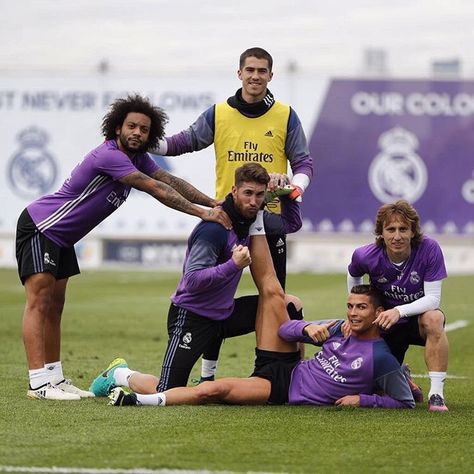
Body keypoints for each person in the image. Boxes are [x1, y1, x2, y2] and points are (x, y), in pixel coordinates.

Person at [16, 94, 232, 401]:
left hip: (62, 238)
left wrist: (213, 202)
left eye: (144, 130)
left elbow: (170, 179)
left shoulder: (138, 158)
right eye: (131, 126)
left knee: (55, 307)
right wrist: (203, 213)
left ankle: (55, 378)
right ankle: (38, 383)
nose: (137, 133)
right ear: (118, 127)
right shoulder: (110, 155)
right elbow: (157, 189)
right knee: (39, 303)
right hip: (42, 227)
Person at [102, 235, 415, 409]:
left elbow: (404, 403)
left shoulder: (381, 358)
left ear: (377, 313)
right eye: (350, 306)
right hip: (285, 362)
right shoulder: (340, 327)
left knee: (212, 390)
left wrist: (361, 399)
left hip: (279, 387)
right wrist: (307, 329)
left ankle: (129, 389)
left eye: (361, 308)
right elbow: (285, 329)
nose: (353, 313)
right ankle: (256, 225)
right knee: (279, 296)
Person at [151, 46, 312, 380]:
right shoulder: (220, 112)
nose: (255, 76)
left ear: (271, 75)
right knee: (216, 293)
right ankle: (209, 373)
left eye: (262, 71)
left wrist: (293, 189)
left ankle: (268, 369)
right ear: (239, 73)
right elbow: (187, 141)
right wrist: (149, 144)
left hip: (268, 222)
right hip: (227, 219)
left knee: (274, 296)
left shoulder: (285, 115)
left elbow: (303, 163)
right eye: (249, 70)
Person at [90, 163, 303, 396]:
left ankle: (276, 377)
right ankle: (120, 374)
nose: (253, 201)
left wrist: (289, 195)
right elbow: (192, 281)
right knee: (169, 391)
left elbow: (291, 225)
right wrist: (233, 265)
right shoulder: (213, 229)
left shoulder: (251, 220)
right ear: (234, 191)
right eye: (248, 193)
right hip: (192, 316)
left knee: (286, 306)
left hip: (224, 314)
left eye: (259, 195)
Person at [347, 200, 449, 412]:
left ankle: (436, 394)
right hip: (385, 324)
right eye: (390, 229)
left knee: (434, 318)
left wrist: (399, 311)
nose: (397, 236)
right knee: (377, 393)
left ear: (413, 232)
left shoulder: (429, 249)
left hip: (415, 320)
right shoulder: (365, 255)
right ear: (381, 233)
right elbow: (353, 276)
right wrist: (357, 315)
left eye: (403, 229)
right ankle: (403, 377)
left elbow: (433, 300)